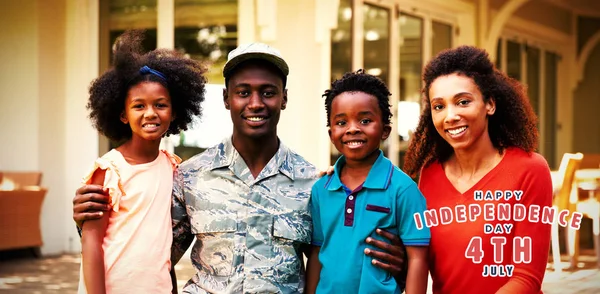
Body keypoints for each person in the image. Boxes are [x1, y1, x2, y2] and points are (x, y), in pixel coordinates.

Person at [73, 43, 407, 294]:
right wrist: (89, 221)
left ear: (285, 98)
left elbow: (333, 259)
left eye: (268, 93)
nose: (256, 103)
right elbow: (151, 254)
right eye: (243, 92)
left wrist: (396, 258)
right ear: (226, 99)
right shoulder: (189, 176)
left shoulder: (314, 184)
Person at [403, 46, 552, 294]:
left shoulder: (530, 169)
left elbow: (527, 278)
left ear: (490, 104)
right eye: (438, 106)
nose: (450, 116)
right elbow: (420, 259)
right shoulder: (430, 174)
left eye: (463, 102)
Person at [77, 30, 206, 294]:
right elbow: (91, 242)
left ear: (174, 112)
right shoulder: (109, 170)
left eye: (160, 105)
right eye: (139, 106)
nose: (150, 113)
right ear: (123, 114)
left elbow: (162, 246)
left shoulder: (171, 167)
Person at [306, 70, 430, 294]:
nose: (353, 128)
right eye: (341, 122)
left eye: (365, 120)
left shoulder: (404, 190)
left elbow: (418, 260)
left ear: (385, 131)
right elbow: (316, 254)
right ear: (331, 133)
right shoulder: (320, 189)